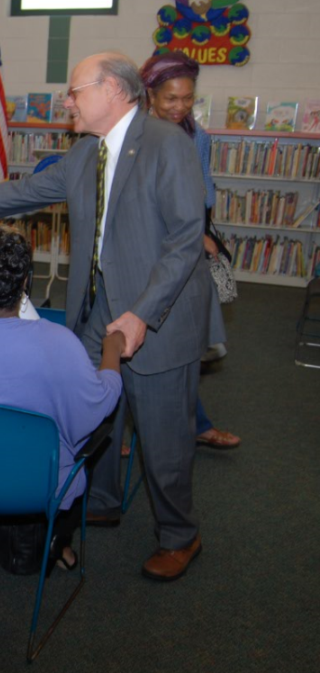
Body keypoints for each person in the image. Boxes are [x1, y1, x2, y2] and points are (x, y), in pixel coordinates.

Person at [0, 51, 226, 581]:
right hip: (97, 309)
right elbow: (26, 192)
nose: (67, 101)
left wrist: (142, 314)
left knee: (164, 439)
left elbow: (186, 242)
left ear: (112, 90)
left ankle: (180, 534)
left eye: (75, 91)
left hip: (157, 314)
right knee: (92, 414)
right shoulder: (87, 152)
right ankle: (104, 499)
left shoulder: (168, 144)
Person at [0, 222, 124, 570]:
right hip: (34, 487)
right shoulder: (59, 343)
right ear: (25, 283)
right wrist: (112, 352)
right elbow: (100, 405)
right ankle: (58, 541)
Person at [140, 51, 240, 450]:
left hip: (183, 244)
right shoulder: (135, 135)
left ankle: (195, 423)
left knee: (178, 340)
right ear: (151, 95)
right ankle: (109, 435)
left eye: (187, 98)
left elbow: (202, 190)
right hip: (146, 246)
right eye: (170, 98)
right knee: (134, 338)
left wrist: (198, 230)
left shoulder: (199, 137)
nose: (179, 107)